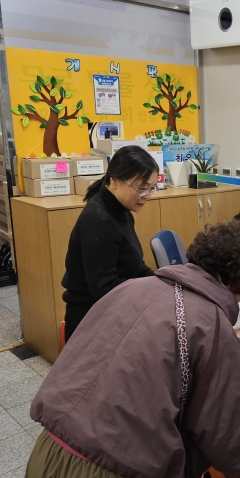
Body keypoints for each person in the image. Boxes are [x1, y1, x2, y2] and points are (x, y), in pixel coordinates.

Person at [25, 220, 240, 478]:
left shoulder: (131, 288)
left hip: (45, 459)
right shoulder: (211, 324)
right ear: (236, 284)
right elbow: (221, 430)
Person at [61, 146, 158, 341]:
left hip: (114, 312)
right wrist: (149, 291)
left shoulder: (120, 210)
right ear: (114, 181)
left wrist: (161, 283)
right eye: (141, 188)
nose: (146, 195)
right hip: (92, 323)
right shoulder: (100, 222)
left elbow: (135, 265)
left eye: (151, 188)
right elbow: (105, 287)